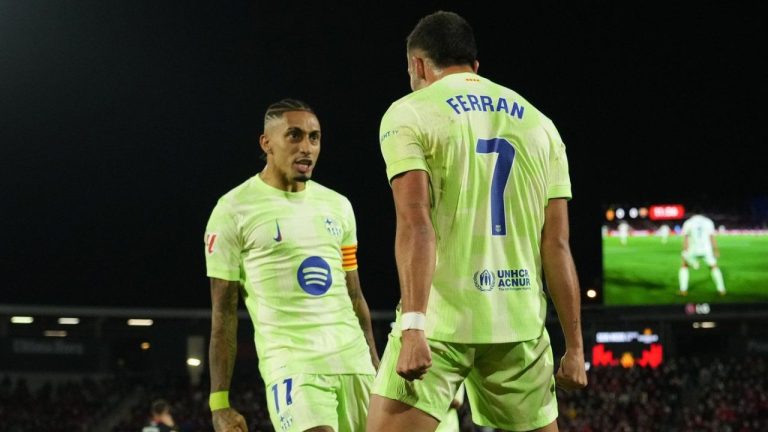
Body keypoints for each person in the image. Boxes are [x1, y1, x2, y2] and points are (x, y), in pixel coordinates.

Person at [367, 11, 587, 432]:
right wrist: (575, 347)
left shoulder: (410, 112)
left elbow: (415, 224)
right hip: (518, 324)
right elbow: (556, 245)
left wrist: (413, 325)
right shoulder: (542, 125)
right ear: (475, 66)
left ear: (418, 64)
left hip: (440, 323)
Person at [204, 99, 379, 432]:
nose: (306, 147)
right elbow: (223, 313)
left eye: (314, 137)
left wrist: (375, 361)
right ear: (266, 143)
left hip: (354, 363)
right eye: (294, 136)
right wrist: (219, 403)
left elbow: (354, 295)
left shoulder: (338, 206)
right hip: (293, 367)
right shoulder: (232, 210)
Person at [678, 213, 725, 296]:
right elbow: (712, 237)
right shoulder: (708, 222)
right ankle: (721, 290)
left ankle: (683, 290)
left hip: (693, 249)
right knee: (713, 266)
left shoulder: (688, 222)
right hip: (706, 249)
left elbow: (685, 239)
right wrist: (716, 250)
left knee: (684, 266)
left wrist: (684, 251)